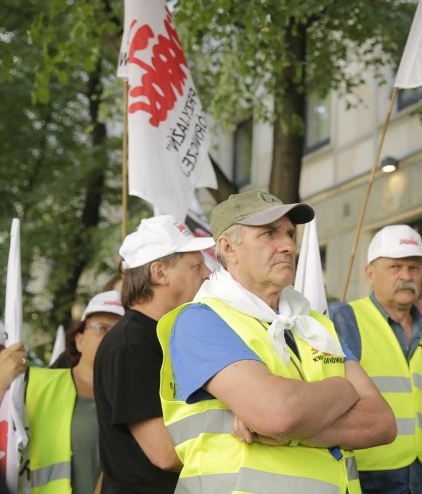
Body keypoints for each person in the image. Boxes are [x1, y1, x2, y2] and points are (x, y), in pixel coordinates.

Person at [158, 190, 396, 493]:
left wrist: (295, 429)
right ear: (228, 248)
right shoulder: (202, 320)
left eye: (289, 234)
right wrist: (344, 390)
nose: (287, 246)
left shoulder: (315, 324)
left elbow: (382, 423)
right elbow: (277, 413)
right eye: (269, 234)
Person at [330, 224, 422, 493]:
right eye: (395, 267)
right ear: (370, 273)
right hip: (363, 479)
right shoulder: (344, 319)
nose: (407, 276)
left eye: (414, 268)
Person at [94, 215, 214, 494]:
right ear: (159, 273)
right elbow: (166, 453)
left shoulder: (164, 335)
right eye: (196, 265)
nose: (207, 273)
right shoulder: (130, 345)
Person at [24, 290, 124, 494]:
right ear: (79, 339)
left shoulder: (137, 396)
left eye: (120, 331)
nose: (110, 338)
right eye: (101, 328)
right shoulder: (35, 383)